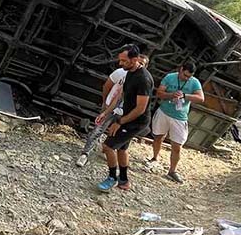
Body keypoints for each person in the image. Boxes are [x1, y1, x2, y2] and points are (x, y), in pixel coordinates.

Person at [97, 45, 154, 192]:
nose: (120, 64)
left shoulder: (144, 80)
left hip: (137, 121)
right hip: (127, 116)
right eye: (120, 60)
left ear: (134, 60)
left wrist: (119, 122)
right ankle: (124, 180)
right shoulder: (129, 72)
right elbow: (120, 96)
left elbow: (140, 108)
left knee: (107, 146)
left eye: (123, 61)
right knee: (122, 149)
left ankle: (112, 178)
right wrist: (106, 112)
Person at [76, 52, 148, 167]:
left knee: (116, 136)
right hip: (112, 107)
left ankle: (107, 153)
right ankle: (85, 153)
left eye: (142, 63)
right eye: (137, 61)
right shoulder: (122, 73)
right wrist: (105, 105)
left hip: (125, 113)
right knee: (97, 130)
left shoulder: (143, 81)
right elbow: (109, 88)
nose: (139, 64)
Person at [148, 62, 204, 184]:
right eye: (185, 75)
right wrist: (171, 95)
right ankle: (154, 157)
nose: (186, 78)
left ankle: (172, 171)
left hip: (179, 117)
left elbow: (201, 98)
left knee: (177, 146)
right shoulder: (170, 77)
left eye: (189, 76)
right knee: (158, 137)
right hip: (164, 111)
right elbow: (159, 93)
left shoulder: (194, 82)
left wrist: (184, 96)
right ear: (180, 69)